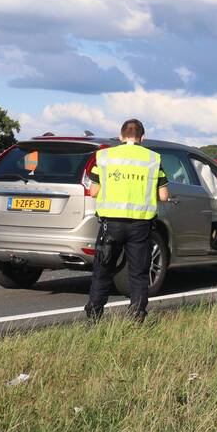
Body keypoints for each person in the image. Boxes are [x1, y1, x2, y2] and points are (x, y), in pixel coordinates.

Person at [85, 119, 169, 322]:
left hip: (111, 225)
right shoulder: (153, 159)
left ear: (121, 136)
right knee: (139, 273)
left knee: (102, 270)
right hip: (140, 225)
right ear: (142, 138)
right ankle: (137, 315)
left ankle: (94, 315)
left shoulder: (104, 157)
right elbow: (164, 195)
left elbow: (94, 191)